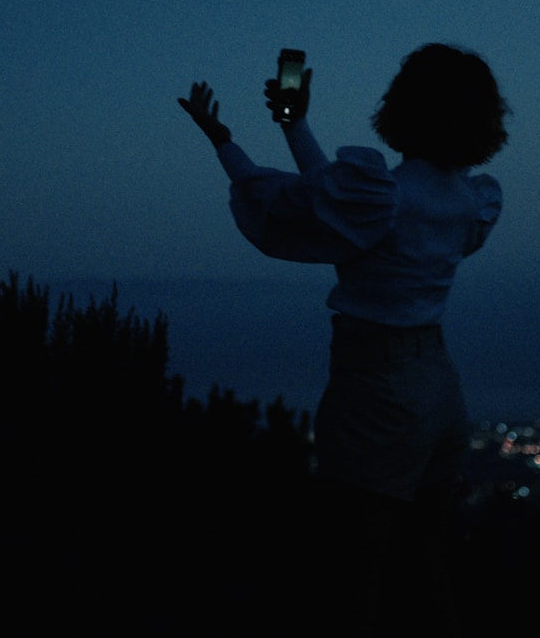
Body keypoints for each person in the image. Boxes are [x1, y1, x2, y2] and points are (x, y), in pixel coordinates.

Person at [178, 43, 507, 628]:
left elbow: (290, 200)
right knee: (428, 567)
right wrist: (294, 124)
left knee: (355, 577)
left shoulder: (379, 194)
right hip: (438, 389)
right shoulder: (470, 200)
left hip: (376, 394)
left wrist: (222, 142)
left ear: (406, 105)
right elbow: (335, 199)